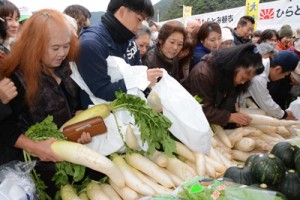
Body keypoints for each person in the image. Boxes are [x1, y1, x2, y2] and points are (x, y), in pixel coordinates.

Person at [0, 9, 98, 196]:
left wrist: (79, 123)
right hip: (38, 170)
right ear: (34, 45)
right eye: (55, 48)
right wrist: (34, 147)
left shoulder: (67, 69)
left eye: (66, 46)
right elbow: (5, 126)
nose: (62, 53)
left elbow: (74, 105)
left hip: (71, 157)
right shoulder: (15, 77)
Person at [78, 0, 163, 108]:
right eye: (139, 19)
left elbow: (135, 69)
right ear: (122, 12)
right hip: (103, 118)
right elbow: (102, 92)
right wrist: (140, 79)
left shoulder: (127, 39)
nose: (140, 26)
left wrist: (144, 77)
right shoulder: (91, 44)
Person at [183, 44, 263, 128]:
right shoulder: (203, 73)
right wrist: (229, 117)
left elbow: (227, 103)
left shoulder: (231, 75)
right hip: (193, 124)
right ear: (234, 65)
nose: (243, 82)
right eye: (243, 78)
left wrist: (234, 119)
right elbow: (201, 108)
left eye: (247, 80)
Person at [244, 50, 299, 119]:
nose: (283, 77)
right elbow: (265, 101)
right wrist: (284, 114)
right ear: (278, 69)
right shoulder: (259, 77)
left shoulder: (264, 63)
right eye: (285, 75)